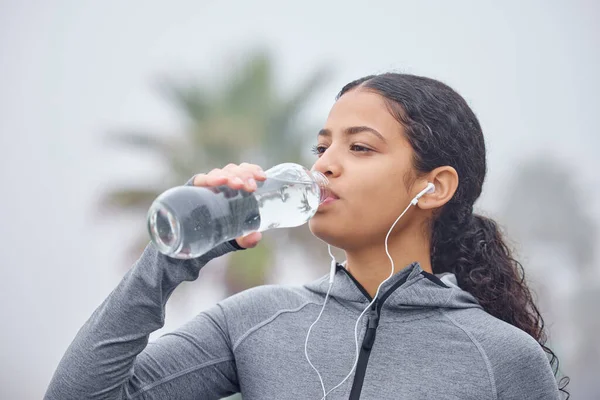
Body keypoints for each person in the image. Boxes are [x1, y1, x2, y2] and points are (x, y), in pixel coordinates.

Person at [45, 73, 569, 399]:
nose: (325, 167)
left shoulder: (502, 357)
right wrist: (170, 259)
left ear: (434, 187)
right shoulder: (254, 321)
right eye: (322, 148)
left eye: (359, 148)